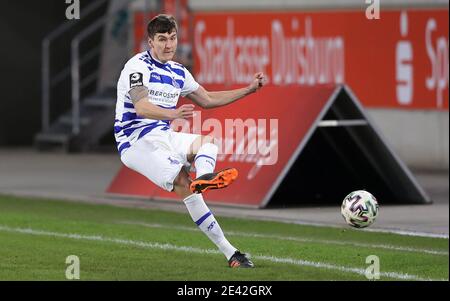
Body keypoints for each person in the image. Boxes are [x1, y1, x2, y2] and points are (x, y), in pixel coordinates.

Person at [114, 14, 265, 268]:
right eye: (161, 39)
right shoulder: (136, 66)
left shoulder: (177, 72)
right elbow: (141, 107)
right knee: (183, 182)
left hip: (162, 134)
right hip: (135, 140)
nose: (168, 45)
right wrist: (173, 113)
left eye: (172, 38)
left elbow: (207, 99)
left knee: (207, 142)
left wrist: (248, 89)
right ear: (150, 42)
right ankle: (231, 252)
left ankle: (204, 179)